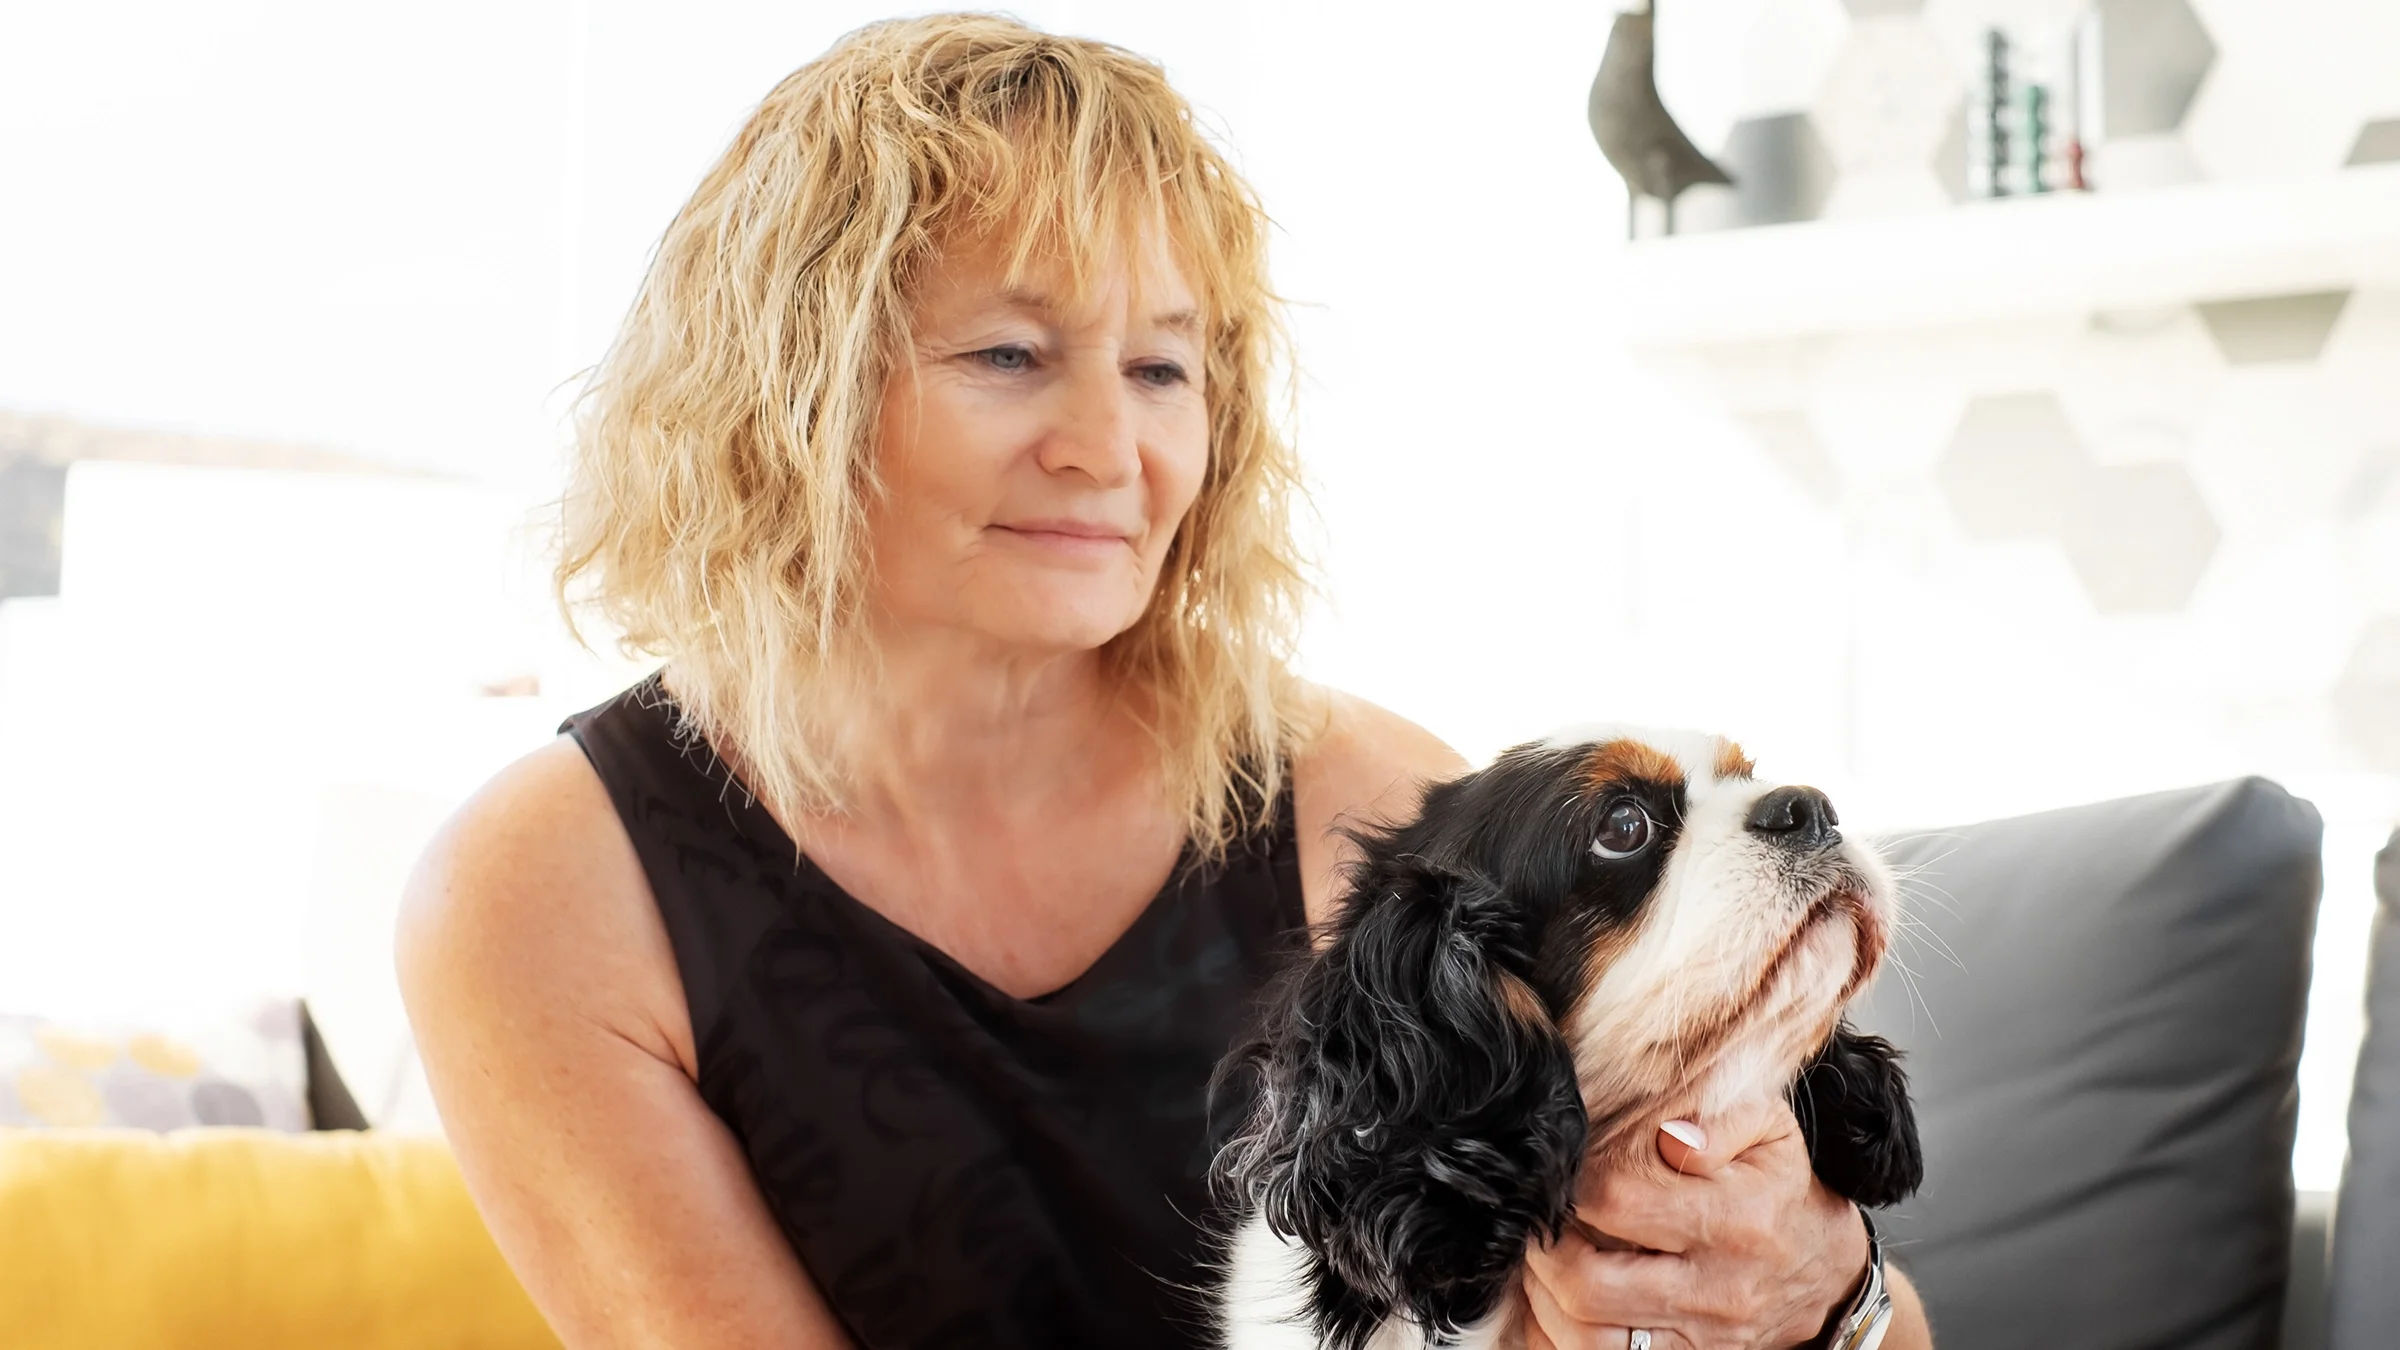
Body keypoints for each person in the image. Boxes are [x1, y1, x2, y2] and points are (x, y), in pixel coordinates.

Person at [395, 14, 1933, 1349]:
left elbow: (1833, 1312)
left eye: (1161, 367)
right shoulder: (541, 892)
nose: (1110, 449)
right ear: (785, 389)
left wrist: (1822, 1282)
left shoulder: (1365, 804)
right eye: (1008, 353)